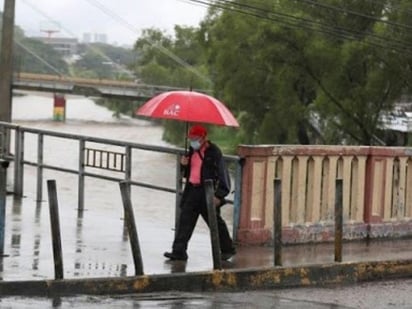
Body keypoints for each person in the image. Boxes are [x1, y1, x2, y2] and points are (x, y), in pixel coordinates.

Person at [164, 124, 236, 261]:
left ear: (203, 138)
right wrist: (183, 165)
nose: (192, 141)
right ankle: (178, 252)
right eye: (191, 138)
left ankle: (227, 249)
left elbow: (223, 175)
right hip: (192, 190)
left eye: (195, 138)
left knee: (215, 223)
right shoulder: (191, 151)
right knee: (185, 221)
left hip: (207, 192)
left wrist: (219, 195)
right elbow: (186, 174)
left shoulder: (214, 152)